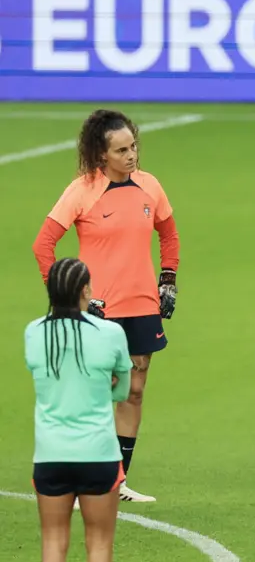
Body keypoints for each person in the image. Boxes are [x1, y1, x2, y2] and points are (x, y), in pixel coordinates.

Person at [32, 109, 181, 504]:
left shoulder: (150, 185)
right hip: (97, 310)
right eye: (121, 150)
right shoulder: (82, 190)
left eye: (133, 146)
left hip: (142, 303)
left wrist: (168, 279)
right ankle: (84, 478)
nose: (131, 155)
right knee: (96, 394)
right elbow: (43, 246)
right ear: (102, 155)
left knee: (134, 390)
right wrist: (67, 297)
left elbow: (168, 233)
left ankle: (117, 482)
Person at [25, 258, 136, 562]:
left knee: (53, 545)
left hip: (51, 453)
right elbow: (122, 390)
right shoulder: (109, 333)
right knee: (99, 546)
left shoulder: (34, 333)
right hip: (98, 454)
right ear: (86, 291)